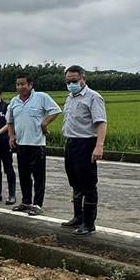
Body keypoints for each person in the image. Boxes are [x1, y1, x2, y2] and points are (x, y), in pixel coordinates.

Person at [61, 65, 108, 236]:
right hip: (71, 143)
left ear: (83, 79)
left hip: (86, 143)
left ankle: (89, 223)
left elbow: (101, 123)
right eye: (68, 81)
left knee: (88, 184)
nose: (71, 84)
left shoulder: (93, 97)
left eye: (74, 81)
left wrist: (99, 145)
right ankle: (77, 217)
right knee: (75, 182)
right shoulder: (70, 98)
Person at [6, 73, 61, 215]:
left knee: (38, 177)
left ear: (30, 85)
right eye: (18, 84)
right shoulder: (14, 101)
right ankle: (26, 201)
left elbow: (56, 111)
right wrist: (11, 136)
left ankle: (37, 204)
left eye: (23, 84)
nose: (20, 87)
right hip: (21, 144)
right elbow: (10, 121)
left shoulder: (41, 97)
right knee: (24, 175)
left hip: (37, 144)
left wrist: (45, 123)